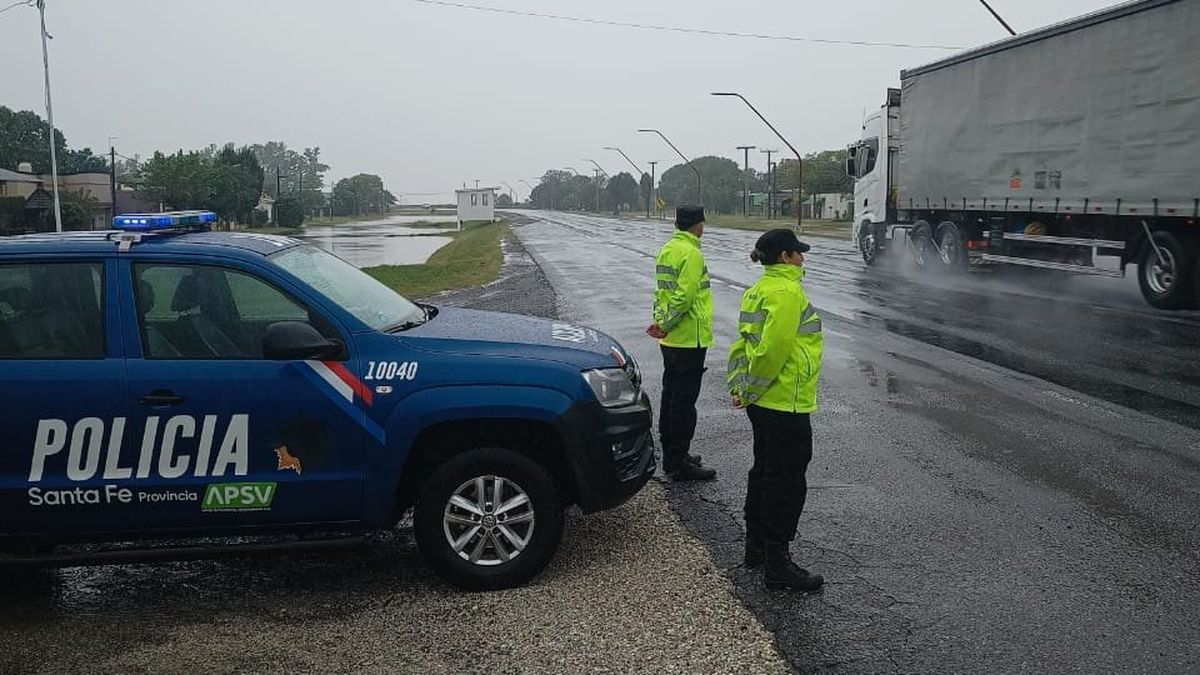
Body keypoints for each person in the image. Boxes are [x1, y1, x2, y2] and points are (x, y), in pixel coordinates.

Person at [727, 228, 824, 592]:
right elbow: (772, 351)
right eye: (798, 252)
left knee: (765, 471)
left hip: (765, 402)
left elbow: (741, 346)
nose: (803, 257)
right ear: (785, 256)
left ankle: (756, 548)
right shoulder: (786, 292)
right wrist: (751, 391)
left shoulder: (759, 290)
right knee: (786, 480)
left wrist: (741, 388)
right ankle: (778, 563)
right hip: (785, 401)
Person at [647, 205, 717, 481]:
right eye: (702, 223)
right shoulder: (691, 253)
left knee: (670, 395)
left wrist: (660, 323)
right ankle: (679, 460)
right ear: (696, 225)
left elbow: (661, 292)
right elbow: (684, 297)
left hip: (671, 338)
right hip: (689, 337)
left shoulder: (668, 248)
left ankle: (671, 455)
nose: (704, 228)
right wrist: (665, 324)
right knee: (684, 402)